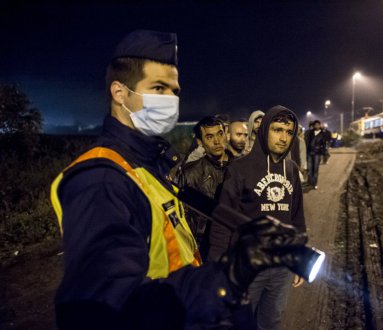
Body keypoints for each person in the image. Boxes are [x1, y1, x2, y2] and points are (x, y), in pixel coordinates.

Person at [50, 30, 307, 330]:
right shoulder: (103, 179)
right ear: (119, 93)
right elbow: (101, 311)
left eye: (174, 91)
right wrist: (227, 275)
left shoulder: (151, 166)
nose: (170, 100)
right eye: (159, 88)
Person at [213, 106, 307, 329]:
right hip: (248, 266)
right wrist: (216, 268)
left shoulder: (292, 170)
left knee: (271, 321)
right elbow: (222, 222)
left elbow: (297, 217)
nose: (284, 137)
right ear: (265, 130)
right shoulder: (239, 169)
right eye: (277, 130)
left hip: (281, 267)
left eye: (288, 131)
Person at [173, 115, 231, 259]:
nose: (217, 141)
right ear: (200, 142)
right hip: (205, 249)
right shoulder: (190, 173)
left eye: (220, 134)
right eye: (209, 137)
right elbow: (183, 217)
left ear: (226, 135)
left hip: (236, 246)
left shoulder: (242, 168)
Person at [305, 120, 327, 189]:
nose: (316, 126)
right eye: (315, 125)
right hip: (310, 153)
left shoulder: (322, 134)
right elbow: (307, 142)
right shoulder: (310, 132)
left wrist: (323, 154)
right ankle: (310, 182)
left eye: (318, 124)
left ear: (319, 125)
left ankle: (314, 183)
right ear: (314, 125)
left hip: (317, 154)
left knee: (315, 169)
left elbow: (324, 145)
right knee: (310, 168)